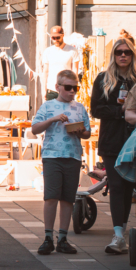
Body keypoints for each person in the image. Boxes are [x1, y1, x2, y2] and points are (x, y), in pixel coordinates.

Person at [90, 37, 136, 255]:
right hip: (112, 140)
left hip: (134, 140)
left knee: (129, 186)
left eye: (127, 52)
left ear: (133, 55)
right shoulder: (104, 79)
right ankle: (118, 235)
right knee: (116, 186)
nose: (123, 55)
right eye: (118, 52)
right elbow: (95, 109)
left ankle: (122, 231)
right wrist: (120, 112)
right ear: (113, 55)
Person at [31, 70, 91, 255]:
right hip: (52, 156)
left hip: (72, 155)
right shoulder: (48, 106)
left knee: (67, 198)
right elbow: (35, 129)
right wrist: (53, 119)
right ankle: (48, 237)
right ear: (58, 87)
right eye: (68, 88)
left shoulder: (80, 108)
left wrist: (78, 131)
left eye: (75, 88)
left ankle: (63, 238)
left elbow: (87, 133)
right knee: (51, 197)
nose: (72, 91)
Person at [41, 26, 81, 101]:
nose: (56, 40)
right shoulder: (48, 51)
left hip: (67, 89)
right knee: (51, 113)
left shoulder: (72, 50)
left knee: (67, 112)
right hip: (51, 89)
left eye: (58, 37)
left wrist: (73, 89)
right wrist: (43, 90)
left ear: (63, 35)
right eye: (53, 38)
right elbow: (45, 72)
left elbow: (75, 72)